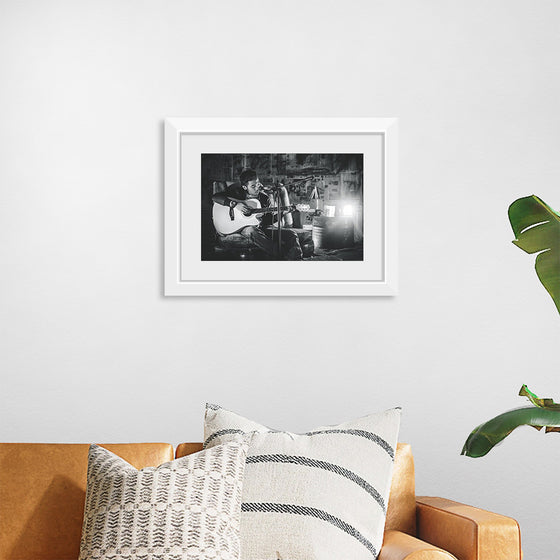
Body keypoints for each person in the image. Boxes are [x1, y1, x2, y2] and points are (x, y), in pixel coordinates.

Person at [212, 168, 303, 260]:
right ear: (245, 187)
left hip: (260, 228)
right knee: (251, 230)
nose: (257, 187)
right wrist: (235, 204)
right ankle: (281, 257)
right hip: (241, 228)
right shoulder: (237, 192)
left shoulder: (264, 198)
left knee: (292, 234)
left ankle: (296, 259)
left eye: (258, 183)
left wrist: (283, 213)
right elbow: (215, 197)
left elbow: (269, 220)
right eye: (253, 186)